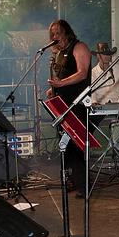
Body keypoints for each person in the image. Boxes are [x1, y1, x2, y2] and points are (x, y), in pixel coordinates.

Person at [46, 19, 92, 198]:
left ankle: (85, 185)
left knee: (77, 145)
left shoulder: (79, 47)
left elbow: (82, 73)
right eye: (52, 34)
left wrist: (61, 83)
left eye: (57, 32)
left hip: (77, 103)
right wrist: (54, 89)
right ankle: (72, 180)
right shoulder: (60, 53)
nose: (54, 36)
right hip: (62, 104)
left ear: (66, 32)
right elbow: (62, 77)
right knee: (66, 145)